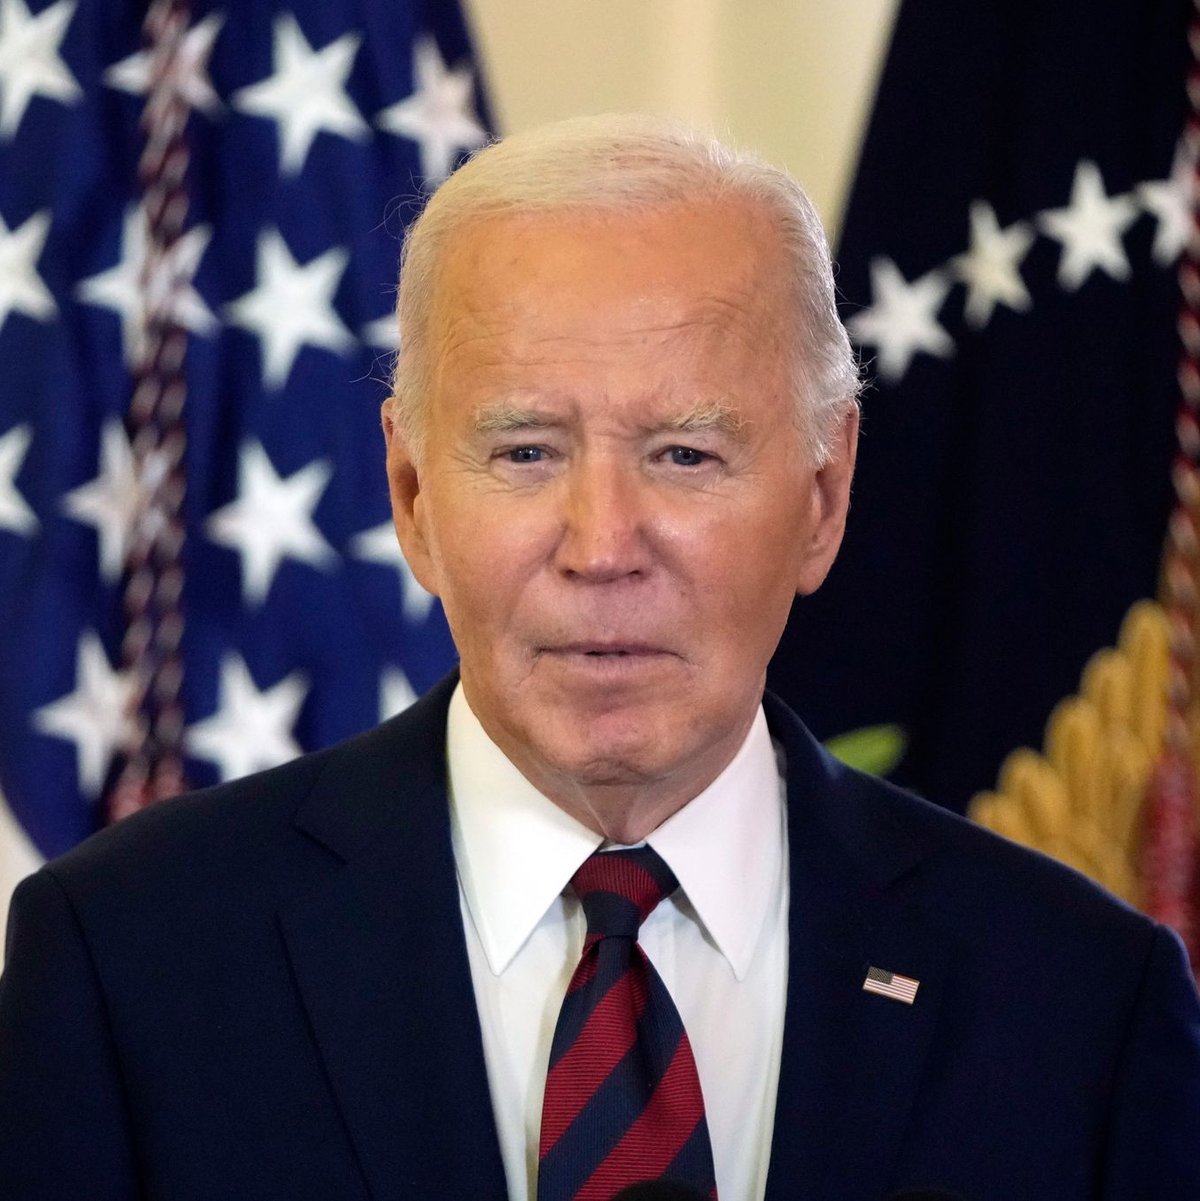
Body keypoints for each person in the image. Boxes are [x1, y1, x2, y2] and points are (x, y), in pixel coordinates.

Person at [1, 113, 1198, 1201]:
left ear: (824, 496)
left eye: (685, 454)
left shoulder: (1080, 1000)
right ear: (412, 497)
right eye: (524, 451)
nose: (603, 546)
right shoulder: (129, 960)